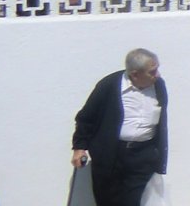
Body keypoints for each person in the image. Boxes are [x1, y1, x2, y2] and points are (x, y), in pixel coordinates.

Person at [71, 48, 168, 206]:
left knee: (132, 201)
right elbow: (86, 117)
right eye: (152, 71)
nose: (157, 75)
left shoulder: (158, 85)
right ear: (135, 74)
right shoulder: (108, 85)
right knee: (107, 201)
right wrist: (79, 147)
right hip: (111, 156)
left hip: (143, 156)